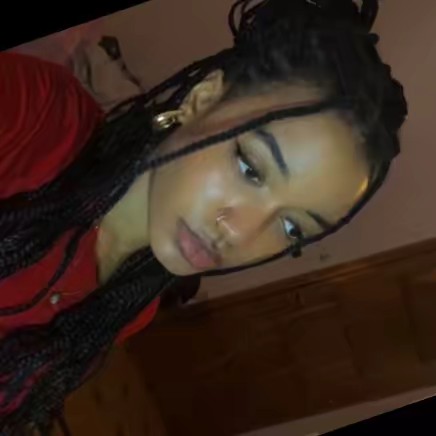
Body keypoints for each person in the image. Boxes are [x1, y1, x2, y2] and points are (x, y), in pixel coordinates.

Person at [0, 0, 407, 433]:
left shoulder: (132, 305)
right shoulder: (35, 114)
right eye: (250, 168)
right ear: (202, 99)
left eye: (291, 228)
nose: (240, 233)